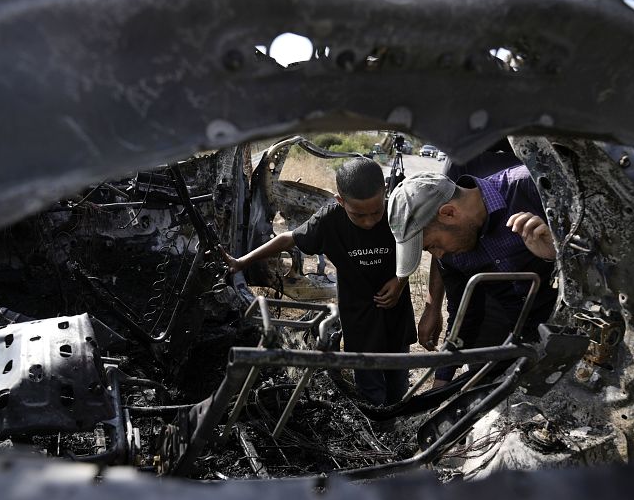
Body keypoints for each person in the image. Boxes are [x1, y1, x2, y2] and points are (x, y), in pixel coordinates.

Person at [224, 157, 416, 406]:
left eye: (376, 212)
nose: (369, 221)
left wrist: (400, 280)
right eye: (359, 215)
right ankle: (379, 434)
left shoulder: (396, 212)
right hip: (358, 316)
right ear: (340, 201)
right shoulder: (329, 220)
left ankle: (396, 426)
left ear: (385, 194)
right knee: (371, 390)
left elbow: (419, 245)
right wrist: (241, 262)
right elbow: (287, 240)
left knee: (398, 384)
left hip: (396, 313)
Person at [387, 167, 557, 387]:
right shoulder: (451, 255)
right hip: (525, 337)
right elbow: (463, 312)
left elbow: (610, 262)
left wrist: (557, 252)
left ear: (449, 213)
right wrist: (442, 378)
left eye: (434, 245)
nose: (438, 256)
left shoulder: (535, 185)